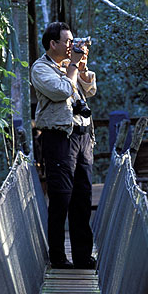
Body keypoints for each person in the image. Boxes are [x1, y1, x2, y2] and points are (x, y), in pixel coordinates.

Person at [31, 21, 97, 269]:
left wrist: (82, 69)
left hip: (82, 137)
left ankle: (83, 256)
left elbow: (89, 92)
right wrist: (71, 67)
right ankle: (57, 257)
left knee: (83, 197)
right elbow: (60, 91)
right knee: (61, 197)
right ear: (53, 43)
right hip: (59, 138)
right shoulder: (41, 68)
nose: (72, 45)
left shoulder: (68, 66)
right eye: (68, 41)